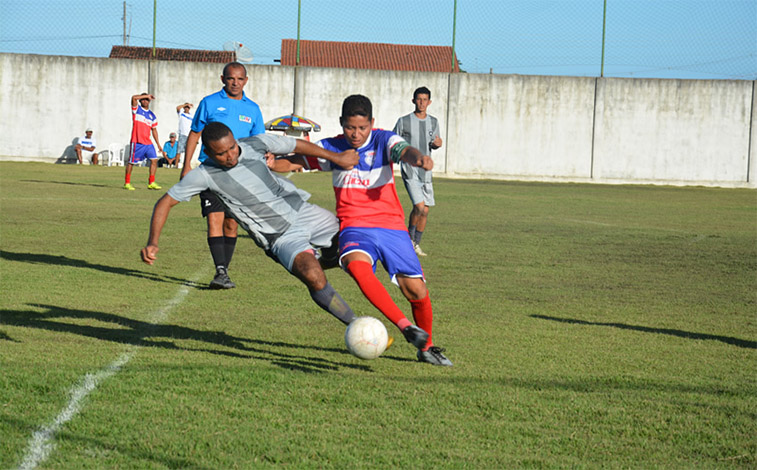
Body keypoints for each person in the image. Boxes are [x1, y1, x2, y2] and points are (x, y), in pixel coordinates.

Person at [268, 95, 452, 366]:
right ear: (342, 123)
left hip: (391, 226)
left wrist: (419, 158)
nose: (356, 134)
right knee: (357, 267)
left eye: (362, 128)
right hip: (354, 226)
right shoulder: (332, 148)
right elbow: (298, 161)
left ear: (372, 123)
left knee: (416, 291)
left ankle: (428, 346)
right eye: (350, 128)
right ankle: (405, 327)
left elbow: (404, 151)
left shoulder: (383, 140)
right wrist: (273, 163)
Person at [141, 122, 365, 329]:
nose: (230, 156)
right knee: (313, 276)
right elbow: (165, 202)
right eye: (221, 153)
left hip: (303, 211)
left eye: (232, 148)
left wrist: (336, 157)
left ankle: (331, 260)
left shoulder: (255, 144)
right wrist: (153, 242)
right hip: (279, 236)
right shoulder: (204, 175)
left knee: (358, 241)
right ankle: (357, 325)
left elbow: (298, 144)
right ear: (208, 153)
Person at [181, 62, 265, 290]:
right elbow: (195, 133)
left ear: (246, 80)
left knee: (231, 224)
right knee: (214, 218)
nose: (235, 83)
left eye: (239, 79)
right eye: (230, 78)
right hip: (211, 170)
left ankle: (223, 271)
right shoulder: (209, 103)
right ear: (223, 79)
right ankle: (220, 271)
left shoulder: (253, 109)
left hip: (240, 175)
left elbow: (258, 143)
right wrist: (186, 165)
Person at [393, 86, 442, 257]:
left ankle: (415, 244)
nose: (421, 103)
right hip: (410, 170)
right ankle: (408, 240)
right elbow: (394, 142)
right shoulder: (403, 121)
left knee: (425, 211)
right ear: (413, 100)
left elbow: (434, 142)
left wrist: (437, 144)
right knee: (419, 207)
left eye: (425, 100)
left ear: (429, 102)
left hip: (426, 173)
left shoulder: (433, 122)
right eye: (418, 99)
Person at [124, 92, 164, 191]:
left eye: (147, 100)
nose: (145, 101)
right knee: (131, 162)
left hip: (148, 143)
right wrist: (146, 95)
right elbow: (133, 98)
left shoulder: (151, 115)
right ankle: (127, 182)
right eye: (144, 99)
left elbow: (154, 130)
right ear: (141, 100)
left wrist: (158, 144)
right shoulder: (137, 110)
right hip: (137, 142)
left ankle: (151, 182)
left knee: (154, 160)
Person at [176, 102, 194, 167]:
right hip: (182, 134)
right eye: (186, 107)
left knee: (188, 151)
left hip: (189, 135)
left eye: (188, 108)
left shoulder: (192, 116)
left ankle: (186, 164)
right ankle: (176, 165)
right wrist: (185, 104)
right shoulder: (181, 114)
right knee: (179, 151)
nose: (187, 109)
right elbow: (178, 108)